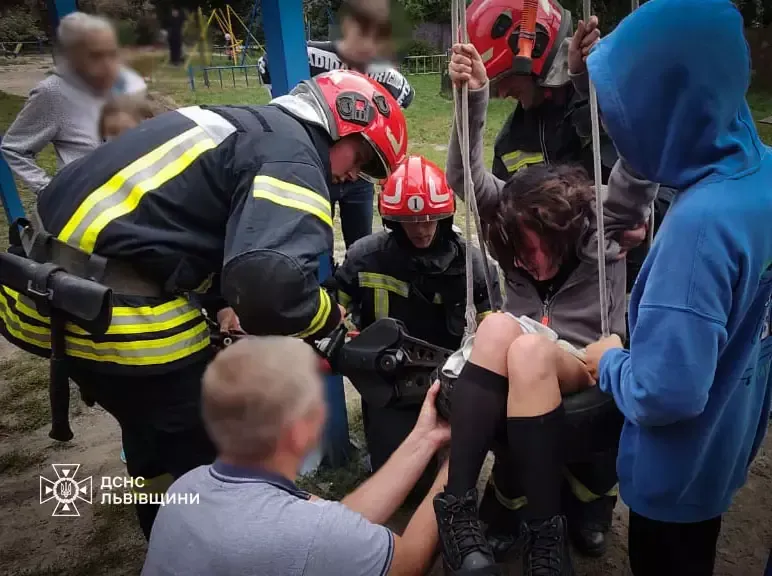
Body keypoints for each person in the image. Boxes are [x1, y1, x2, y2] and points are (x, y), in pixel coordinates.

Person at [0, 70, 407, 540]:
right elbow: (269, 288)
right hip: (121, 316)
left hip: (47, 296)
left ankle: (159, 523)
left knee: (146, 431)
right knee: (206, 450)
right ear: (343, 122)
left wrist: (217, 303)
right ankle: (208, 545)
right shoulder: (294, 156)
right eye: (363, 157)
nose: (356, 175)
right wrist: (327, 318)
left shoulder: (239, 124)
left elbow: (180, 221)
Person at [433, 41, 657, 574]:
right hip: (520, 356)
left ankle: (544, 537)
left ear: (563, 229)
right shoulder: (511, 228)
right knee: (493, 329)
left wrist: (591, 83)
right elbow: (466, 179)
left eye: (534, 249)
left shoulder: (601, 221)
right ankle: (457, 509)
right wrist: (472, 95)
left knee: (528, 347)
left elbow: (638, 162)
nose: (526, 263)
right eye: (516, 251)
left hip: (587, 357)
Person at [581, 1, 772, 575]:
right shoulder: (761, 177)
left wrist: (610, 360)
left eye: (623, 110)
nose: (615, 126)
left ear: (667, 106)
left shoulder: (698, 227)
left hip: (674, 472)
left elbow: (667, 393)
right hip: (727, 439)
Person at [141, 336, 451, 576]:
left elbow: (337, 523)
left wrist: (426, 437)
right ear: (301, 429)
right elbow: (408, 562)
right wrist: (459, 459)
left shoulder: (185, 489)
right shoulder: (305, 532)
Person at [330, 155, 501, 488]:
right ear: (393, 220)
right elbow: (334, 311)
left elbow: (493, 329)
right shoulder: (365, 258)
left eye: (430, 219)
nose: (421, 230)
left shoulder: (472, 266)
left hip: (450, 381)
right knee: (397, 482)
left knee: (451, 479)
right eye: (410, 221)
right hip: (388, 380)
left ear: (445, 215)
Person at [258, 0, 414, 249]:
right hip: (318, 164)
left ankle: (355, 280)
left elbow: (405, 96)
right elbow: (267, 64)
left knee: (360, 240)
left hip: (359, 171)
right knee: (313, 235)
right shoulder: (310, 55)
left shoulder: (388, 77)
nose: (371, 46)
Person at [1, 12, 146, 195]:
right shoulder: (52, 92)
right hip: (90, 200)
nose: (108, 63)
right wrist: (48, 190)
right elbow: (14, 148)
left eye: (112, 53)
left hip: (134, 191)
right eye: (95, 55)